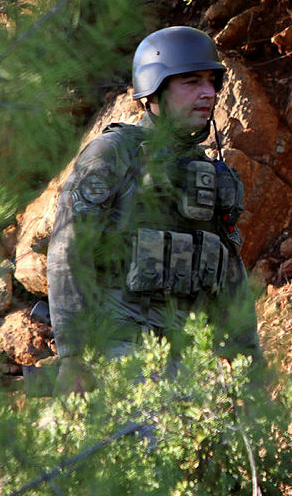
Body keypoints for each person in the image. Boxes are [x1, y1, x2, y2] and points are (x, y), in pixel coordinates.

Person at [47, 26, 248, 393]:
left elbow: (232, 277)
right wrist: (72, 356)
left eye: (211, 82)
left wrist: (251, 370)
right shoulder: (112, 154)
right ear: (154, 92)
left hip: (191, 359)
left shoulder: (211, 175)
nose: (208, 93)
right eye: (191, 82)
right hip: (121, 351)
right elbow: (67, 252)